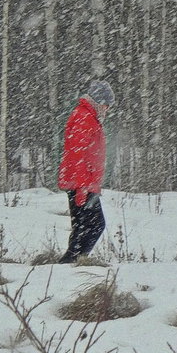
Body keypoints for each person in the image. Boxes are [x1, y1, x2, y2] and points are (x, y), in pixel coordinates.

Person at [56, 80, 114, 264]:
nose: (107, 110)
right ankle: (73, 262)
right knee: (94, 225)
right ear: (98, 101)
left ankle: (74, 261)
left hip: (85, 184)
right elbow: (77, 154)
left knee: (84, 227)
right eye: (106, 105)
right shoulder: (84, 117)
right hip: (81, 184)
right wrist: (82, 188)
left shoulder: (89, 117)